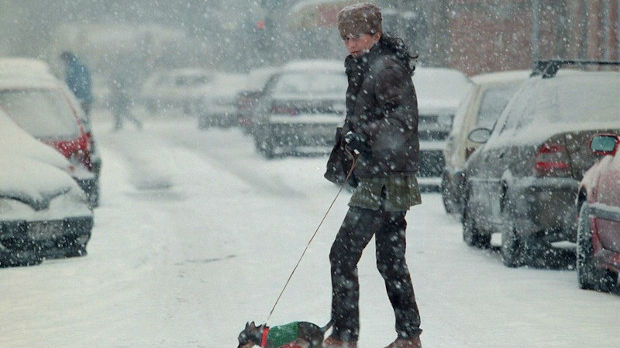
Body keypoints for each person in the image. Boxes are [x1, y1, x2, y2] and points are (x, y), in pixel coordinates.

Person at [323, 4, 422, 348]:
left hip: (386, 178)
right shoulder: (365, 65)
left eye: (357, 36)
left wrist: (365, 135)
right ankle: (409, 337)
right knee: (391, 260)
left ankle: (344, 337)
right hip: (388, 175)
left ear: (375, 35)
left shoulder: (386, 69)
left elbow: (403, 121)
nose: (350, 43)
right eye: (345, 37)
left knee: (342, 255)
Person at [60, 51, 94, 116]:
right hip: (86, 99)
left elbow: (73, 85)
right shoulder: (81, 66)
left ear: (66, 59)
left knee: (77, 119)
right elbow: (87, 82)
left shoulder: (71, 69)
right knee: (84, 120)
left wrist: (72, 96)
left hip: (78, 100)